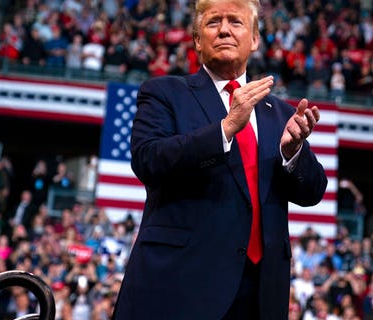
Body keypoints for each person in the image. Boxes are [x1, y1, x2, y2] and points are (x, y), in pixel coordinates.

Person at [112, 0, 328, 318]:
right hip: (180, 288)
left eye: (236, 22)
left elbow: (313, 192)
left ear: (254, 39)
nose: (224, 29)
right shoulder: (164, 92)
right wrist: (225, 129)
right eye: (214, 22)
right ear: (197, 40)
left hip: (260, 295)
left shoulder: (280, 113)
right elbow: (148, 160)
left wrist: (292, 153)